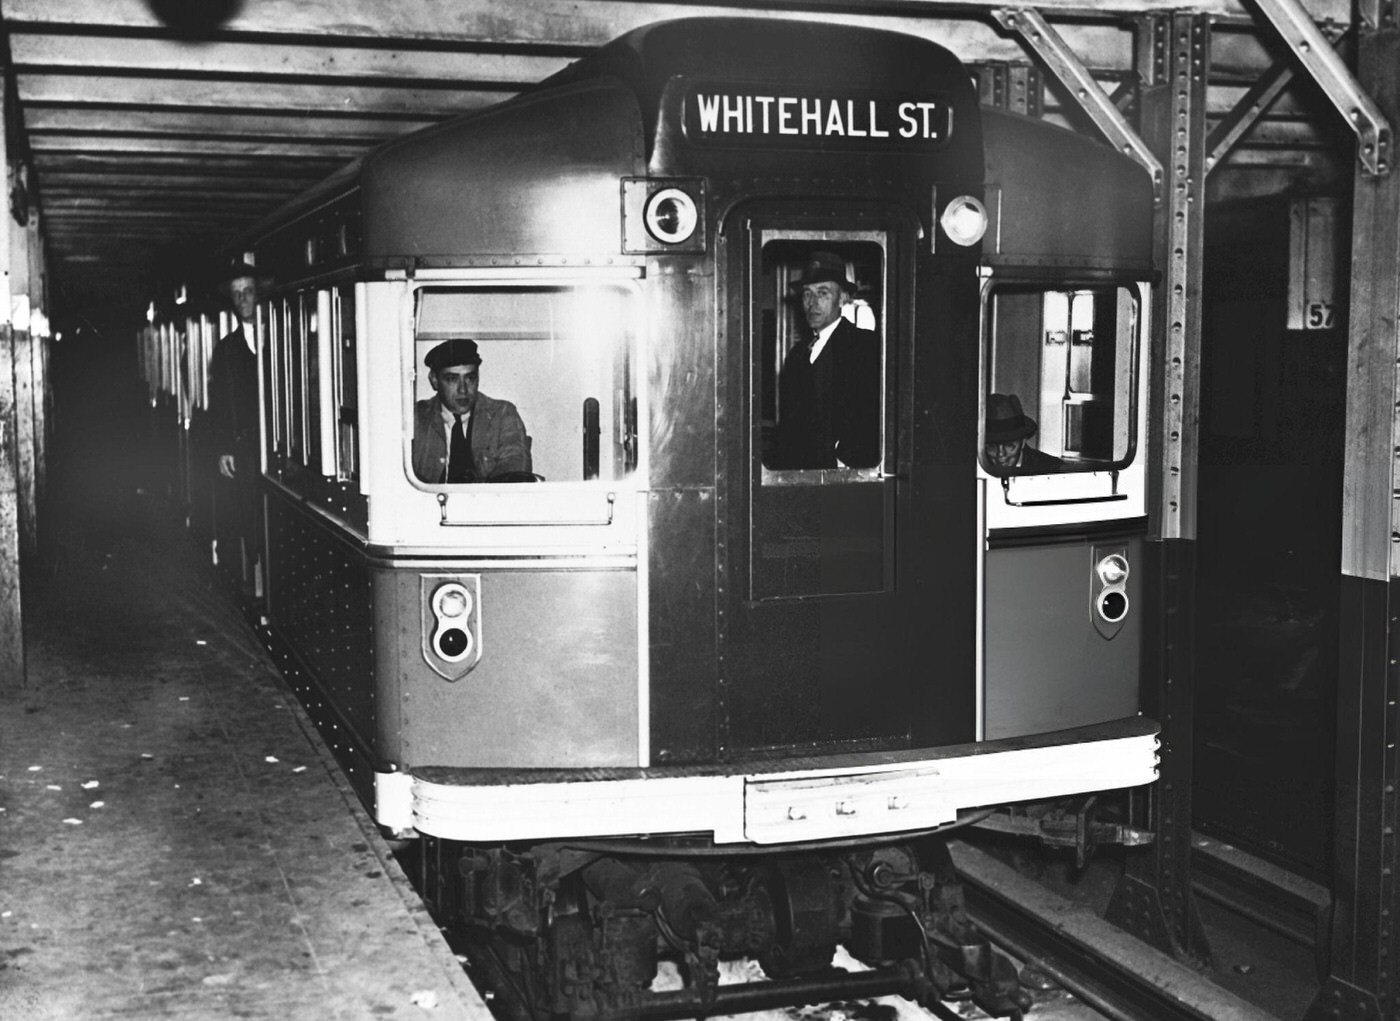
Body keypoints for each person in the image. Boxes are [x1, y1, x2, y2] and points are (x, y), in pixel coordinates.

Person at [772, 251, 880, 470]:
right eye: (807, 294)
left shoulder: (865, 346)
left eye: (822, 293)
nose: (812, 303)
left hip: (841, 477)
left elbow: (874, 416)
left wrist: (845, 458)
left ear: (842, 298)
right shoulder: (797, 355)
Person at [206, 260, 265, 592]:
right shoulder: (227, 350)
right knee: (249, 513)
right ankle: (257, 582)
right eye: (237, 294)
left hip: (279, 444)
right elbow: (220, 403)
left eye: (249, 292)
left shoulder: (283, 338)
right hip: (245, 447)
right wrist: (224, 447)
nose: (243, 300)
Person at [411, 338, 533, 484]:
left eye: (470, 378)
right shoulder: (416, 418)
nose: (463, 389)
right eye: (452, 379)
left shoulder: (502, 415)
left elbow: (515, 469)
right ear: (434, 380)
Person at [984, 392, 1065, 472]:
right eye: (991, 447)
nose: (1000, 454)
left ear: (1023, 442)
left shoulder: (1052, 468)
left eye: (1009, 445)